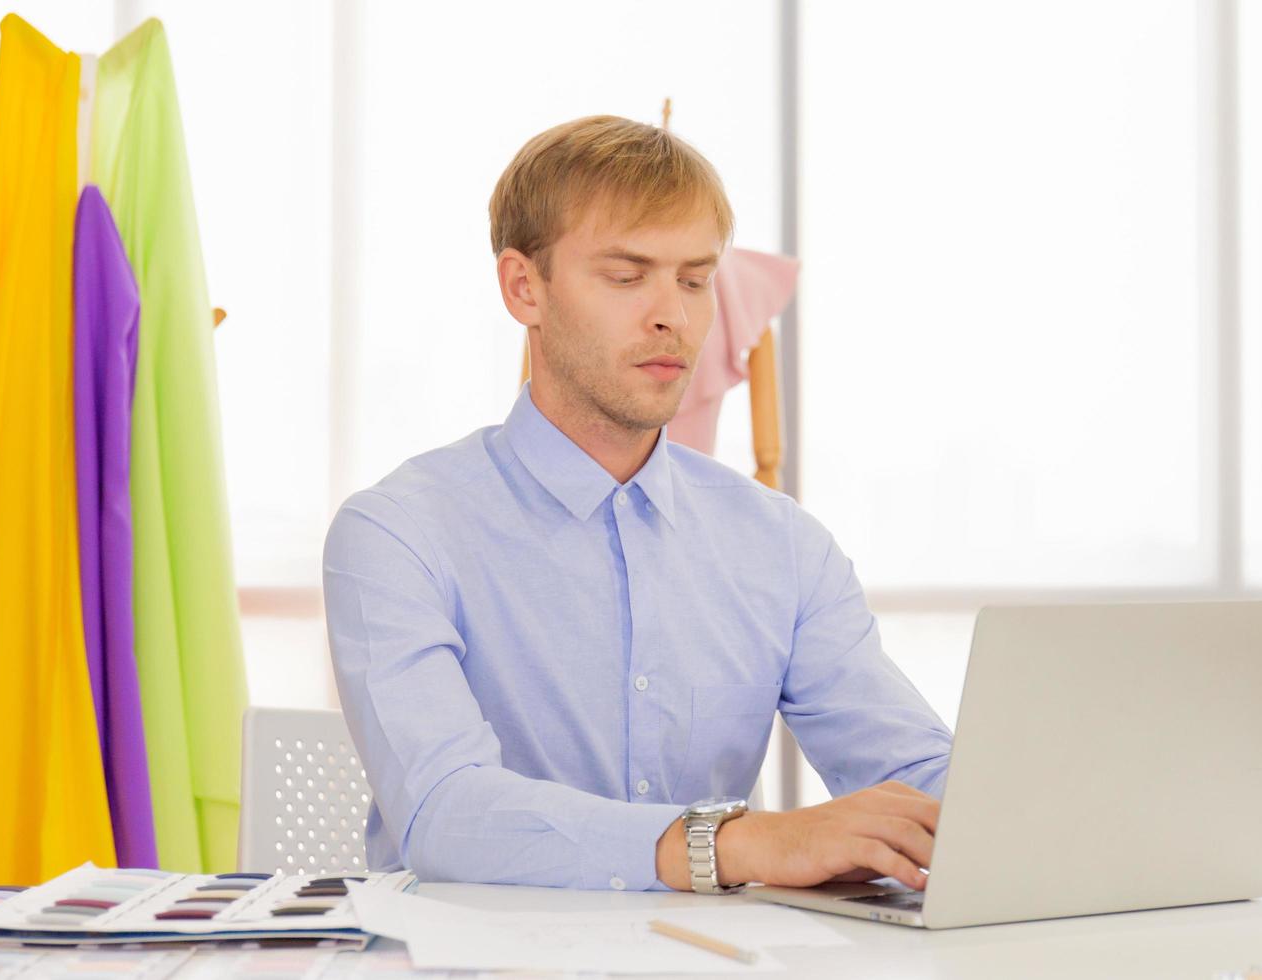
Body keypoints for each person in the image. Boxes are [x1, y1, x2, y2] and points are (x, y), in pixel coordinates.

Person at [323, 115, 952, 894]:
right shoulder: (397, 532)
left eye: (694, 280)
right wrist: (732, 845)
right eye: (626, 277)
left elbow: (914, 768)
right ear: (525, 288)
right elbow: (444, 812)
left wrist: (1050, 811)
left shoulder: (781, 543)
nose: (674, 317)